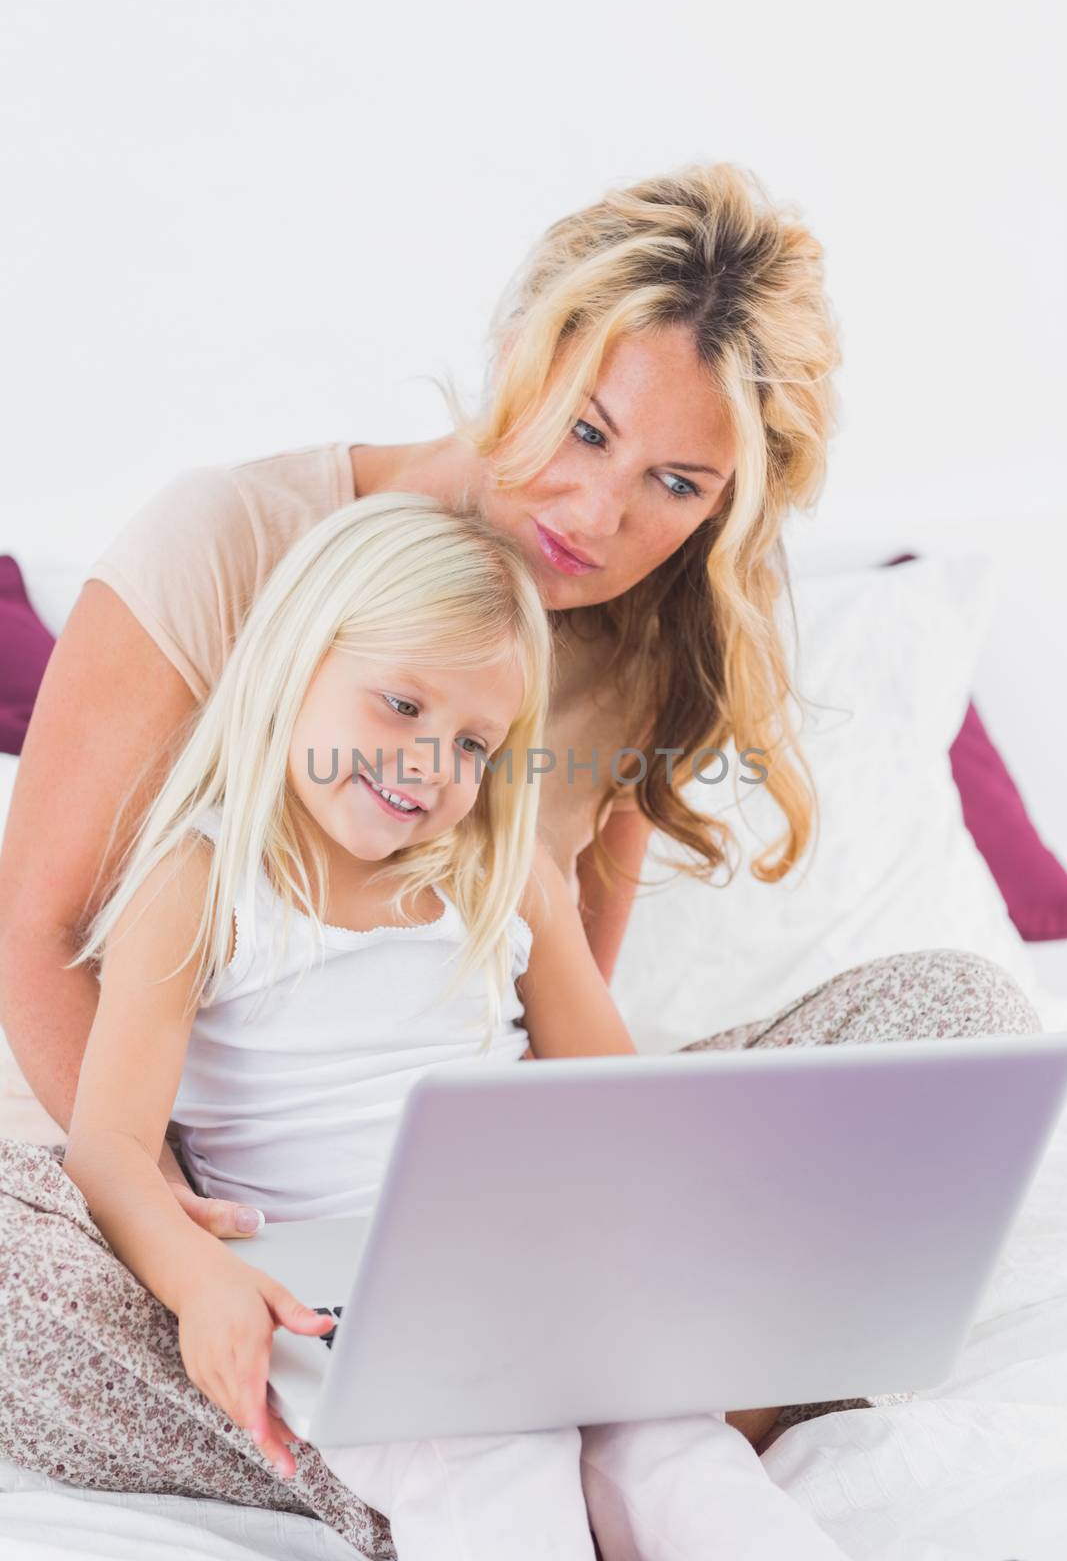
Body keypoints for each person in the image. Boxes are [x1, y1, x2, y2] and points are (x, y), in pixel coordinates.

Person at [0, 161, 1043, 1547]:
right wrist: (199, 1248)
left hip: (512, 1219)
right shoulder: (238, 543)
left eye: (675, 482)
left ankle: (579, 1403)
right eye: (587, 428)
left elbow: (575, 1063)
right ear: (519, 350)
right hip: (254, 1215)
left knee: (956, 1023)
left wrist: (588, 1253)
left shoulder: (652, 641)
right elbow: (41, 929)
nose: (601, 514)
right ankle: (434, 1449)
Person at [54, 494, 849, 1560]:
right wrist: (202, 1284)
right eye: (397, 706)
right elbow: (107, 1150)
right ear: (295, 662)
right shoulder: (200, 884)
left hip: (542, 1262)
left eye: (472, 741)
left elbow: (618, 1104)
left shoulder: (501, 877)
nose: (428, 765)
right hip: (356, 1310)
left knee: (679, 1455)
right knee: (487, 1473)